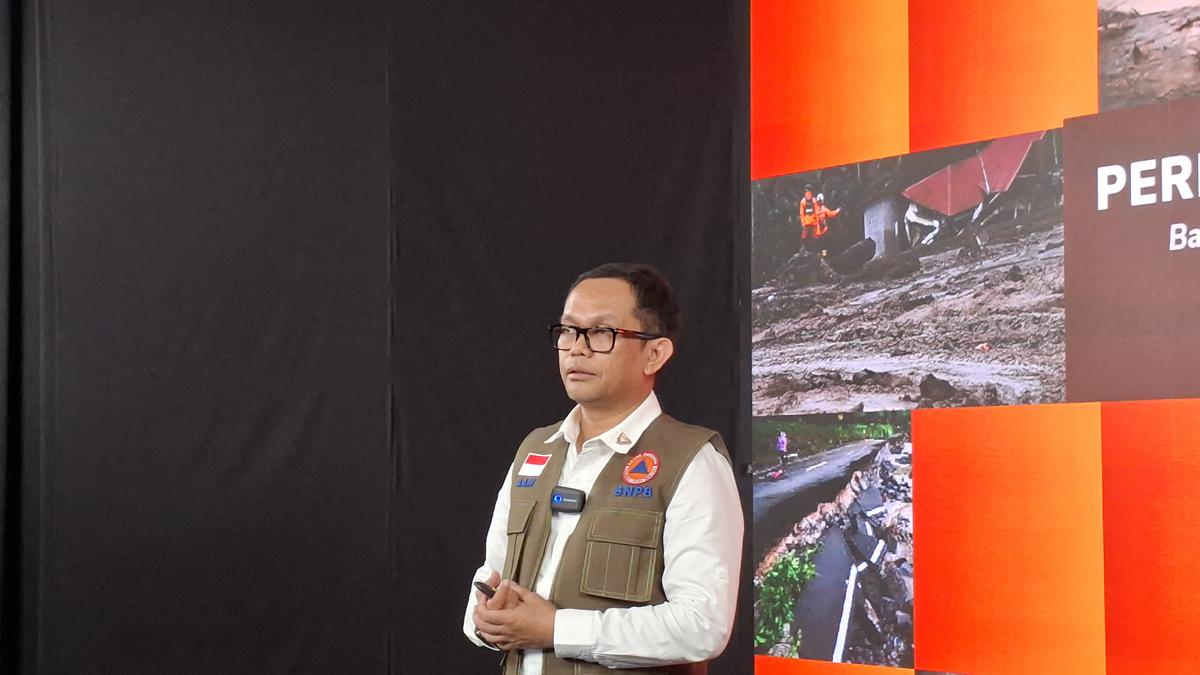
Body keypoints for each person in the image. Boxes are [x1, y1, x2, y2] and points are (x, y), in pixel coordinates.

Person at [464, 263, 743, 674]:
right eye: (568, 331)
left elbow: (702, 626)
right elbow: (491, 577)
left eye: (600, 332)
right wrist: (485, 619)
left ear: (654, 353)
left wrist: (556, 629)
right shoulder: (534, 450)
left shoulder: (691, 461)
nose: (576, 349)